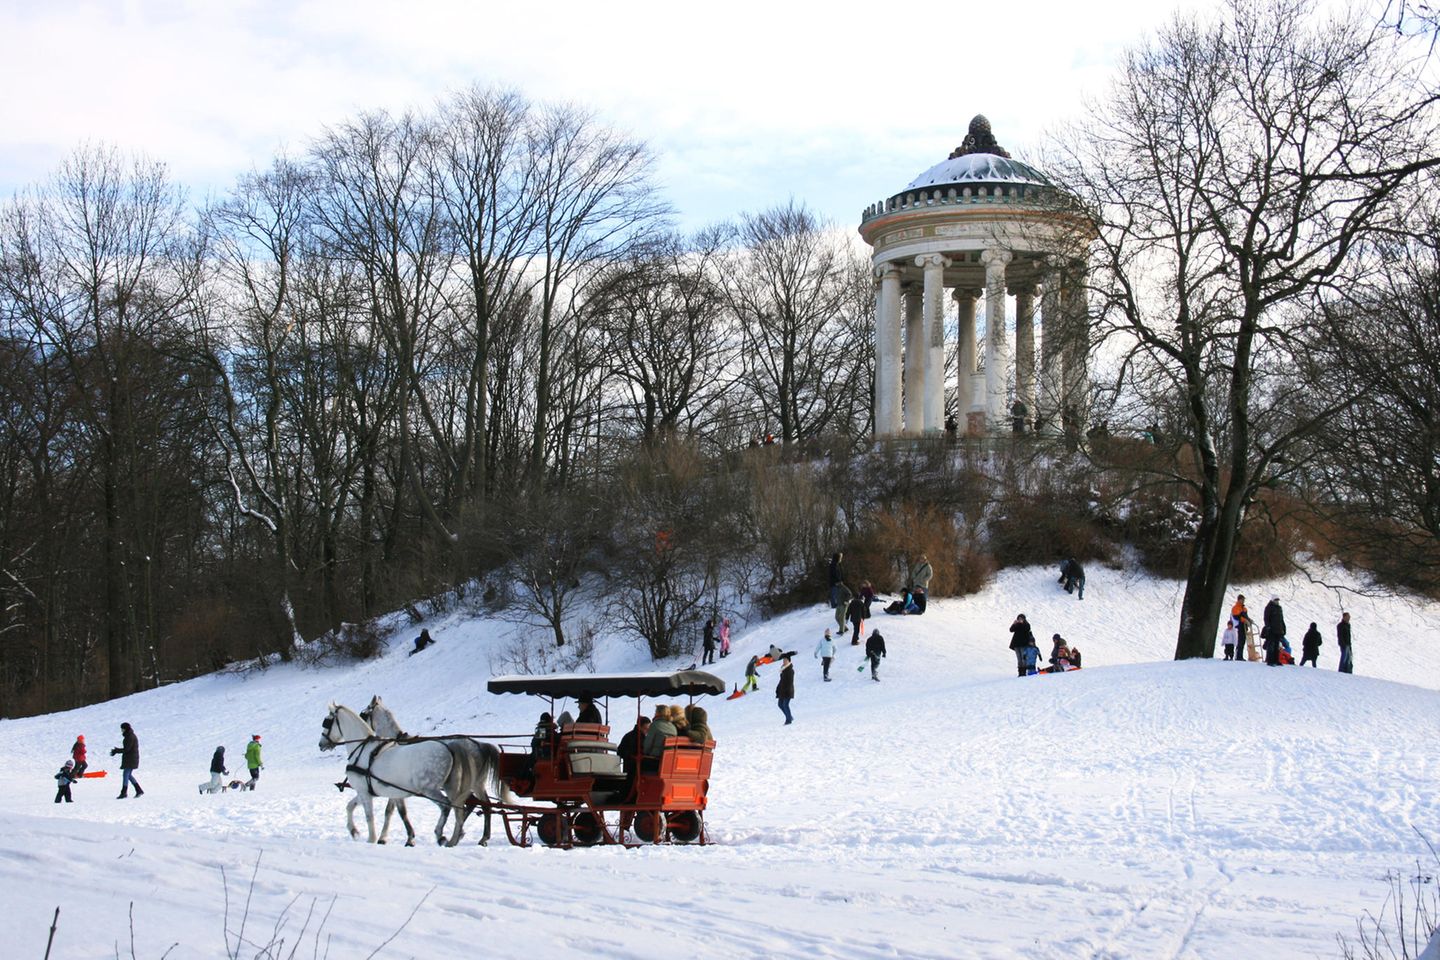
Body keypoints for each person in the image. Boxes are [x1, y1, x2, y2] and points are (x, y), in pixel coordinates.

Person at [110, 722, 142, 799]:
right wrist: (117, 750)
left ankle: (124, 792)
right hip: (130, 758)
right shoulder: (129, 736)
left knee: (126, 775)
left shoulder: (130, 737)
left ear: (125, 729)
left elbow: (127, 749)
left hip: (131, 759)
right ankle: (139, 790)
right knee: (128, 775)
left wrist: (116, 751)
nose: (121, 730)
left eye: (122, 729)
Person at [641, 705, 677, 771]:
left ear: (658, 713)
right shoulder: (673, 727)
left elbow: (647, 744)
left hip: (656, 760)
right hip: (669, 760)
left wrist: (645, 753)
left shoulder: (655, 725)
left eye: (655, 711)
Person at [1261, 596, 1286, 667]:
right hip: (1271, 630)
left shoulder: (1279, 608)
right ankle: (1270, 660)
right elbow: (1266, 618)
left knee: (1276, 646)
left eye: (1278, 600)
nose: (1277, 601)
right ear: (1272, 600)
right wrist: (1268, 627)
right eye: (1276, 600)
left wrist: (1283, 628)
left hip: (1278, 629)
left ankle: (1276, 660)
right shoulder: (1269, 608)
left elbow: (1281, 619)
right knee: (1271, 645)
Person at [776, 656, 795, 725]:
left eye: (786, 660)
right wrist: (778, 688)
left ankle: (788, 720)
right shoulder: (783, 669)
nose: (784, 661)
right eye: (783, 660)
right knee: (780, 704)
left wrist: (785, 689)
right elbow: (781, 681)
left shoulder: (790, 670)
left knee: (785, 705)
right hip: (782, 691)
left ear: (789, 661)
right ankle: (789, 716)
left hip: (788, 690)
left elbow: (789, 682)